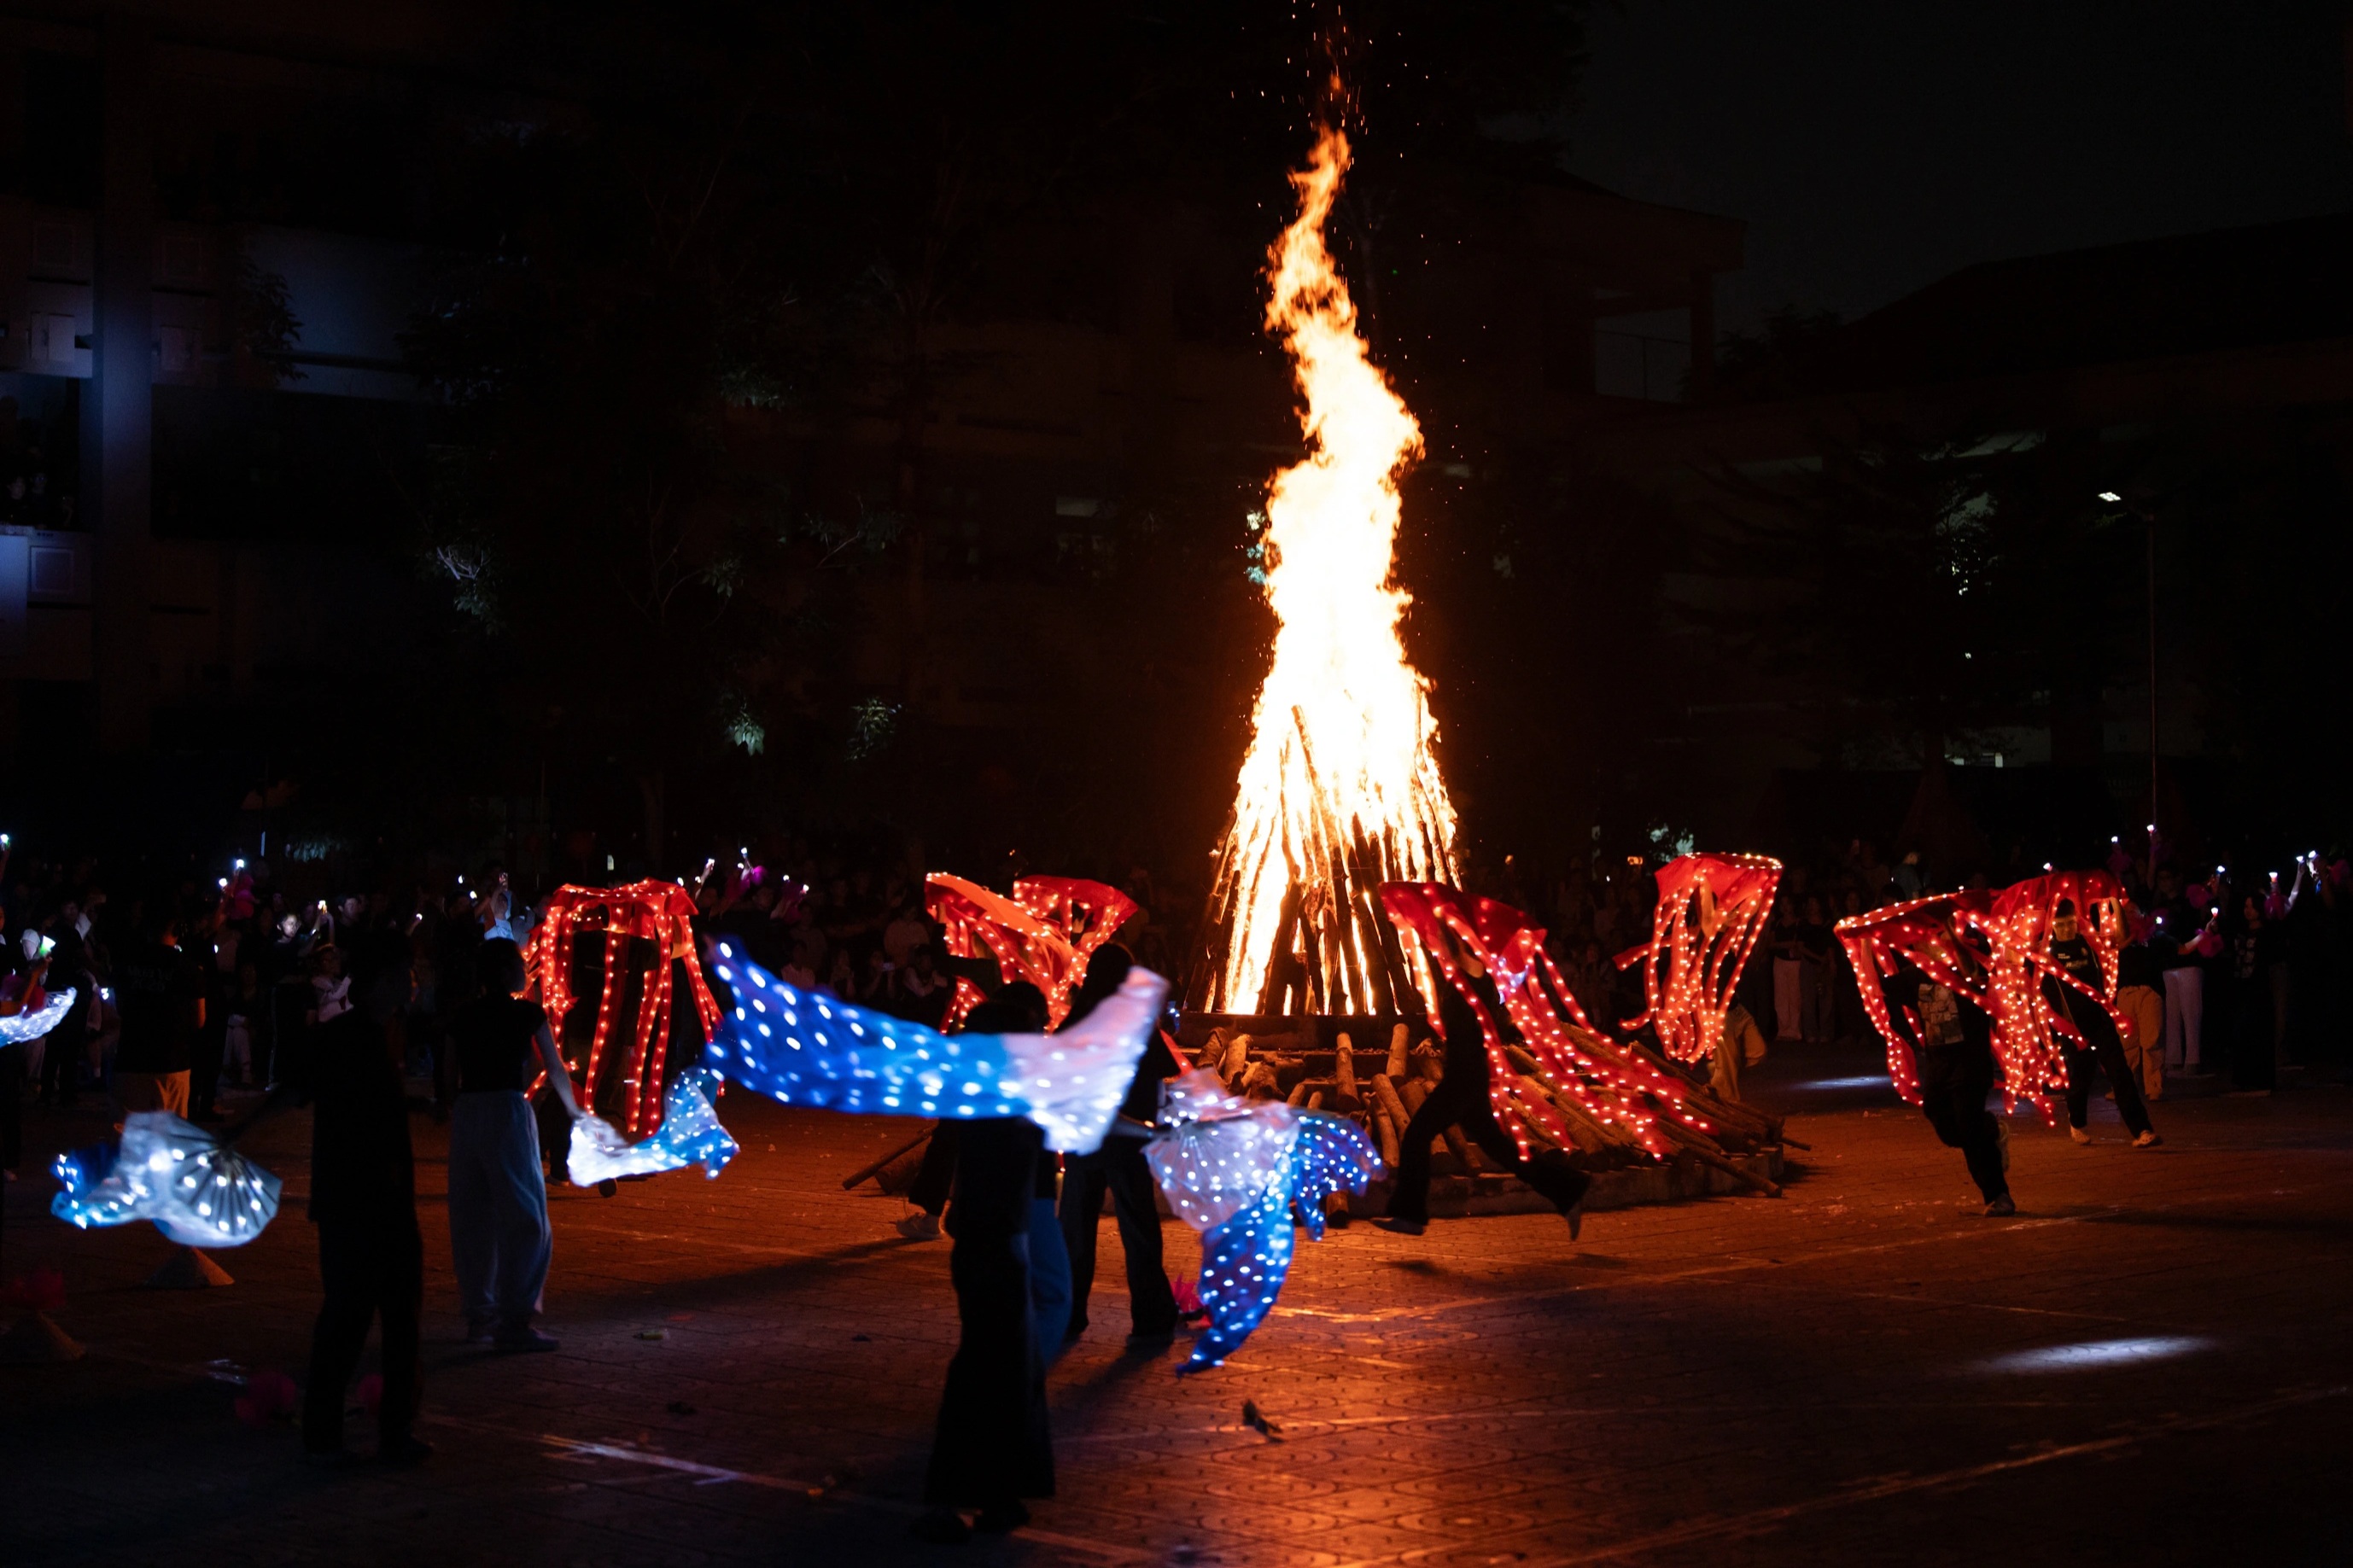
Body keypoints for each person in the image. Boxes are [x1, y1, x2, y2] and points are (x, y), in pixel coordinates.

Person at [225, 938, 430, 1465]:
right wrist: (243, 1127)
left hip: (372, 1198)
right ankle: (344, 1431)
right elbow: (297, 1091)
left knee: (384, 1317)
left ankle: (377, 1429)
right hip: (360, 1201)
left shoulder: (377, 1036)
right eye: (405, 972)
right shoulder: (346, 1038)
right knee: (357, 1318)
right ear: (381, 981)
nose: (412, 981)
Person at [912, 987, 1058, 1544]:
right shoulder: (999, 1100)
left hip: (996, 1242)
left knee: (1006, 1371)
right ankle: (957, 1497)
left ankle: (997, 1494)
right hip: (991, 1245)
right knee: (987, 1370)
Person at [1379, 929, 1592, 1238]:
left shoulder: (1476, 970)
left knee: (1416, 1134)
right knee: (1503, 1151)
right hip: (1467, 1077)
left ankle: (1410, 1215)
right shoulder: (1458, 979)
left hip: (1464, 1078)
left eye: (1444, 940)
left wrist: (1444, 920)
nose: (1438, 946)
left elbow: (1463, 955)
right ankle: (1569, 1189)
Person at [445, 937, 585, 1350]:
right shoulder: (527, 1013)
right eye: (521, 963)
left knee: (472, 1216)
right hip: (507, 1109)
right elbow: (556, 1069)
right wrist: (575, 1113)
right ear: (506, 971)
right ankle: (516, 1320)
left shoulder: (462, 1016)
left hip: (469, 1111)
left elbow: (448, 1075)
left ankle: (479, 1316)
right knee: (526, 1216)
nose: (527, 968)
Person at [1056, 945, 1181, 1349]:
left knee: (1076, 1228)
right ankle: (1151, 1314)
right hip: (1126, 1140)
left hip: (1086, 1141)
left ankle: (1068, 1311)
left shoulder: (1082, 1016)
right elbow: (1162, 1070)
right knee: (1138, 1227)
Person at [1883, 920, 2013, 1215]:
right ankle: (1991, 1129)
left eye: (1930, 939)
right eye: (1919, 942)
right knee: (1944, 1123)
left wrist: (1953, 935)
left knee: (1968, 1127)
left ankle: (1998, 1195)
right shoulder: (1916, 977)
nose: (1922, 945)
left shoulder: (1968, 966)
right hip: (1939, 1069)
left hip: (1971, 1066)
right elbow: (1879, 984)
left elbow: (1973, 972)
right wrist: (1863, 942)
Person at [2044, 901, 2161, 1148]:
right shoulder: (2047, 953)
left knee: (2121, 1074)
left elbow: (2121, 936)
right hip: (2073, 1029)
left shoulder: (2089, 944)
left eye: (2070, 924)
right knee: (2080, 1081)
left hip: (2100, 1023)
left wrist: (2114, 903)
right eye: (2060, 925)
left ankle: (2142, 1130)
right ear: (2052, 927)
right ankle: (2076, 1121)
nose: (2066, 930)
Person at [112, 903, 205, 1122]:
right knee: (170, 1140)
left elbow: (121, 1008)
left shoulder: (127, 963)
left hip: (130, 1061)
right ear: (178, 930)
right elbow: (199, 1020)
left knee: (128, 1140)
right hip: (172, 1063)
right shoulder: (189, 968)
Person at [2115, 912, 2166, 1102]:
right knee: (2126, 1043)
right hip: (2126, 991)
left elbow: (2181, 949)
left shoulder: (2155, 936)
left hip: (2149, 990)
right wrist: (2132, 935)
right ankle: (2126, 1087)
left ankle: (2154, 1086)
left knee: (2152, 1041)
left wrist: (2204, 935)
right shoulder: (2117, 936)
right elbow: (2116, 947)